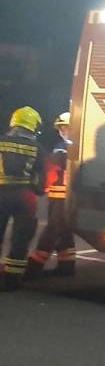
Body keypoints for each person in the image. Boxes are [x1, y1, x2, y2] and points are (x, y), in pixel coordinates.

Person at [27, 112, 75, 278]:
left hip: (62, 197)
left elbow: (52, 170)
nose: (63, 131)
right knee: (64, 230)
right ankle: (67, 266)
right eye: (61, 128)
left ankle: (34, 266)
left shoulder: (64, 148)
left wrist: (40, 185)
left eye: (66, 127)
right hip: (60, 195)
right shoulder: (66, 146)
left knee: (53, 228)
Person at [0, 106, 43, 290]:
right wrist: (38, 190)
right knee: (21, 239)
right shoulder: (37, 148)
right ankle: (12, 280)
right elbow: (42, 177)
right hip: (25, 196)